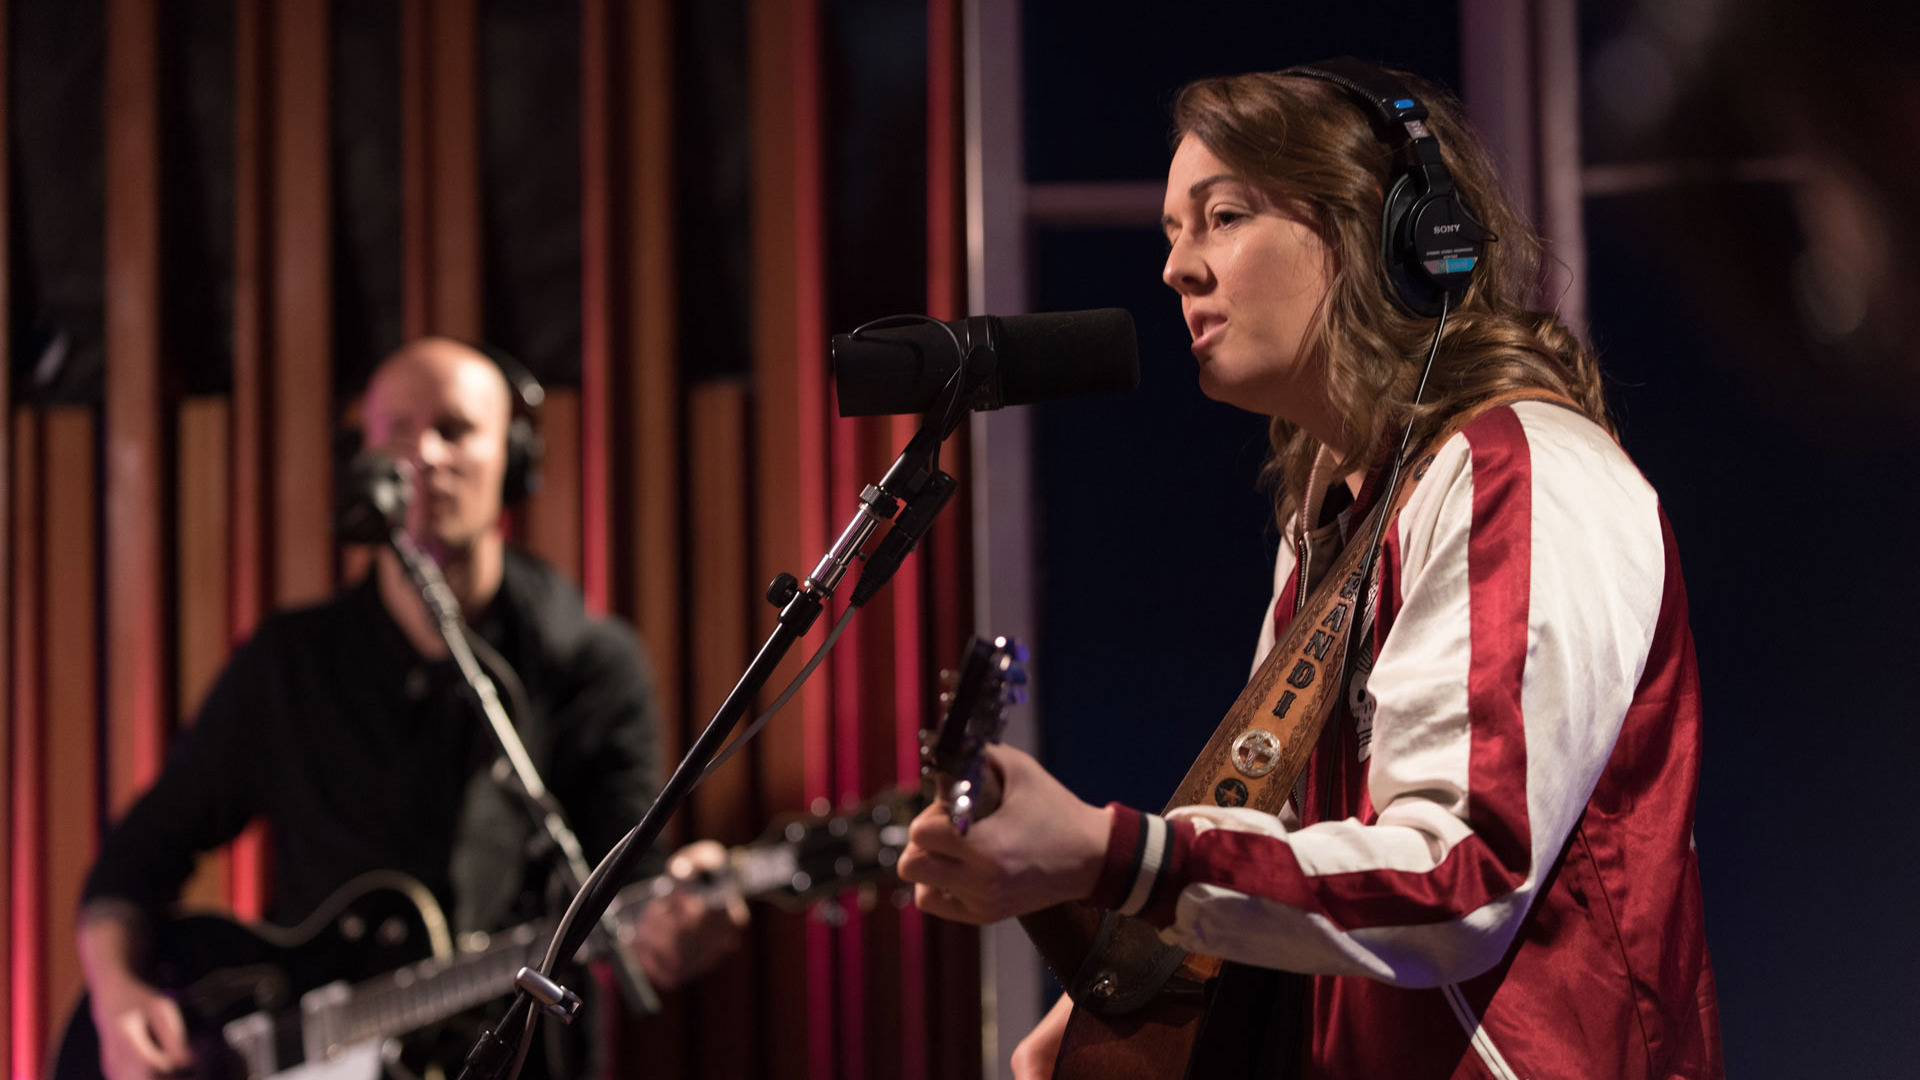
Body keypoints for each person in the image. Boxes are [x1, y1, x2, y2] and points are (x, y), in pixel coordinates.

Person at [898, 62, 1721, 1079]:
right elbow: (1283, 853)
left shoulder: (1521, 472)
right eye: (1172, 233)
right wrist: (1106, 971)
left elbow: (1461, 875)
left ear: (1380, 231)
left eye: (1223, 217)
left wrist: (1116, 856)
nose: (1177, 269)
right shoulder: (1332, 523)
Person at [76, 338, 745, 1080]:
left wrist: (677, 915)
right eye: (398, 432)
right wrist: (116, 996)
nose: (425, 455)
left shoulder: (589, 662)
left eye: (456, 430)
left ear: (515, 459)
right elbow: (135, 858)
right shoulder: (290, 662)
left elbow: (631, 876)